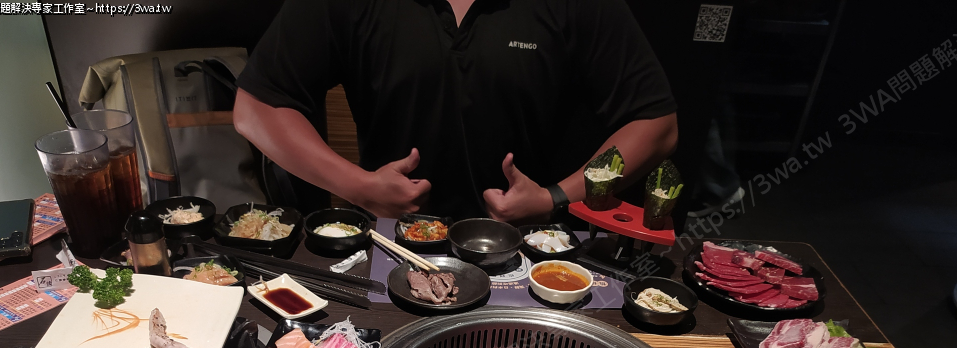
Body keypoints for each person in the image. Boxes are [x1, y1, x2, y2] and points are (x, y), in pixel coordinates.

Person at [234, 0, 678, 222]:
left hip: (531, 254)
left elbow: (655, 124)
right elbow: (255, 107)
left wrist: (556, 196)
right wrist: (358, 187)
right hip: (392, 246)